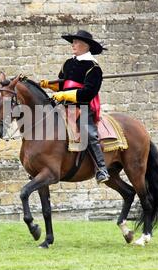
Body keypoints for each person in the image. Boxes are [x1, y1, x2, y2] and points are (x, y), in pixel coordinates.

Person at [40, 30, 110, 183]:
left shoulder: (94, 68)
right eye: (73, 42)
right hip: (64, 107)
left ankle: (101, 169)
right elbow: (62, 84)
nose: (73, 45)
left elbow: (87, 93)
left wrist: (65, 95)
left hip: (83, 107)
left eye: (76, 42)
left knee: (89, 134)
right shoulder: (68, 63)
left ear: (86, 46)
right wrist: (49, 85)